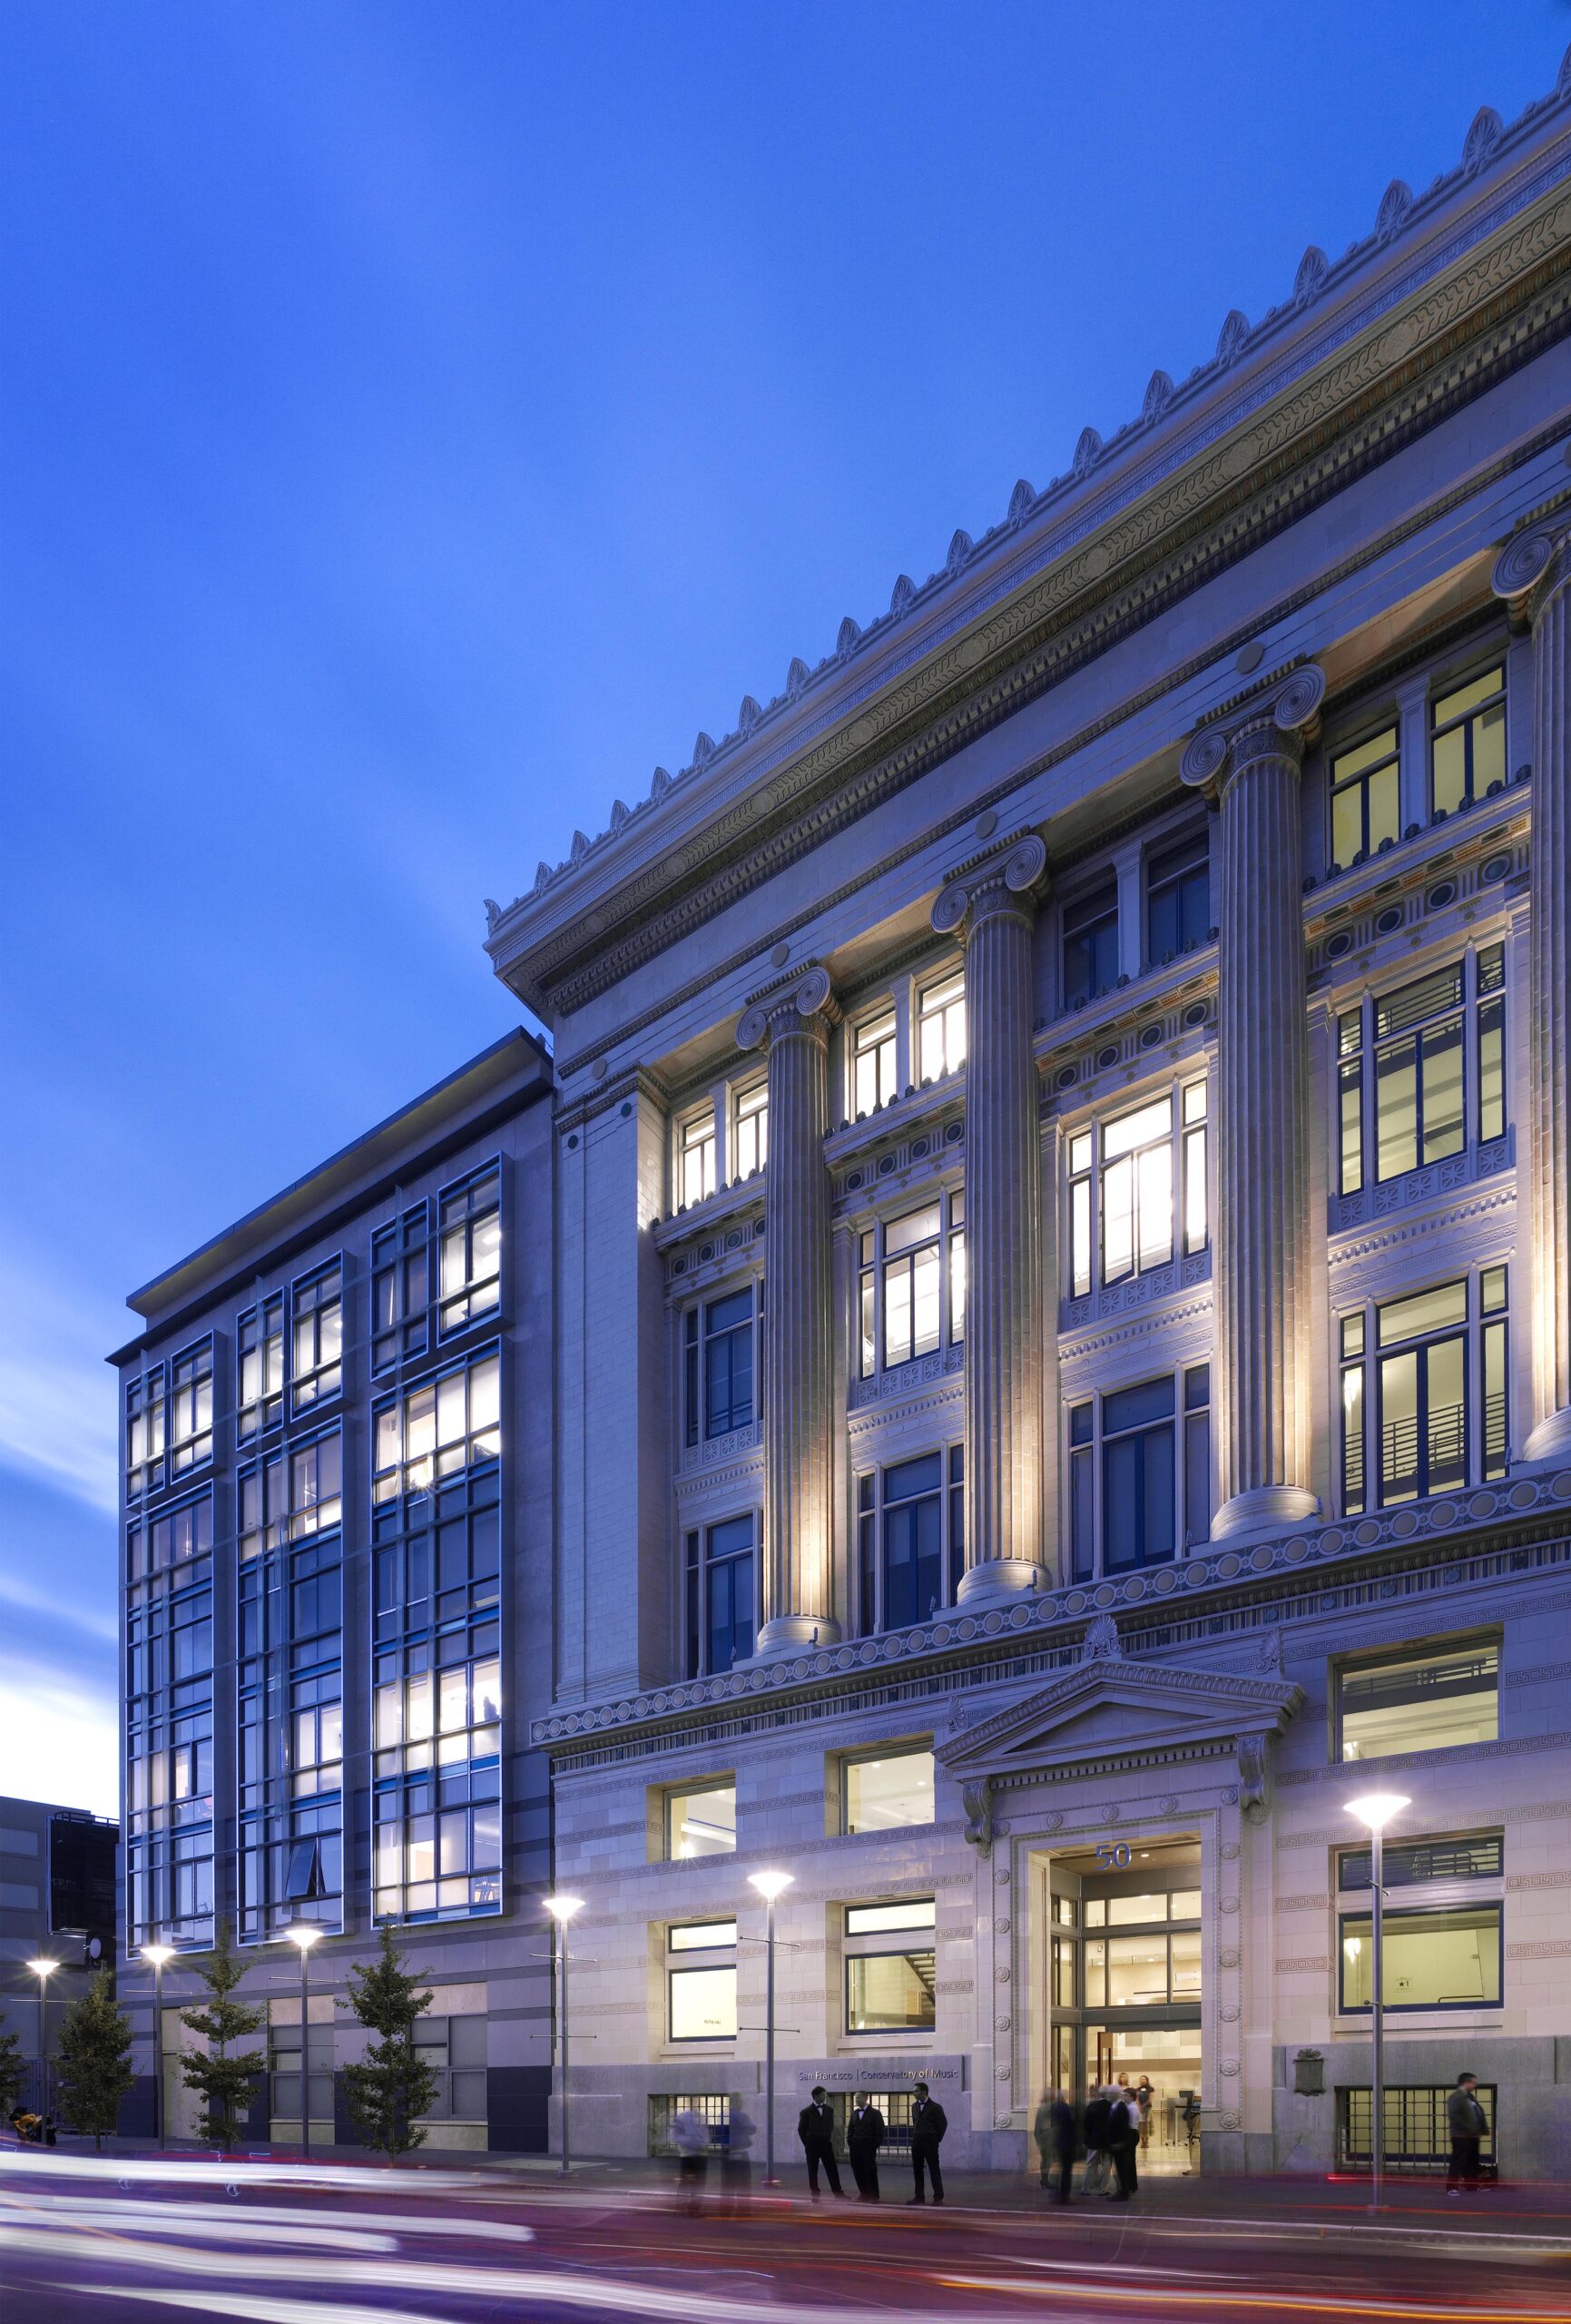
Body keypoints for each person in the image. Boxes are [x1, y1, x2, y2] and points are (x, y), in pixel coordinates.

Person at [797, 2087, 845, 2200]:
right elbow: (801, 2130)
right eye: (823, 2095)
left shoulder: (829, 2109)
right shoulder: (806, 2112)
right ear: (816, 2096)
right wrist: (807, 2143)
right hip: (812, 2145)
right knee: (813, 2170)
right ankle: (815, 2193)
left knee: (832, 2169)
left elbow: (830, 2125)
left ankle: (838, 2193)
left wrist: (827, 2135)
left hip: (825, 2143)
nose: (825, 2097)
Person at [1447, 2073, 1487, 2196]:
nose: (1475, 2085)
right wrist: (1470, 2127)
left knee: (1471, 2162)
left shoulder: (1469, 2097)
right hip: (1460, 2135)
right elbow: (1454, 2116)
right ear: (1467, 2082)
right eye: (1473, 2082)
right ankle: (1451, 2188)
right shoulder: (1456, 2097)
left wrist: (1479, 2129)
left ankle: (1471, 2186)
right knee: (1458, 2161)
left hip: (1472, 2135)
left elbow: (1476, 2113)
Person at [908, 2080, 947, 2204]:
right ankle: (919, 2196)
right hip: (917, 2142)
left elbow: (943, 2124)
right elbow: (915, 2123)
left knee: (934, 2169)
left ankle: (938, 2197)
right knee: (917, 2170)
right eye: (913, 2091)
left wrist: (936, 2138)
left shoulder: (935, 2107)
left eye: (916, 2091)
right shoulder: (914, 2106)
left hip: (930, 2143)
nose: (914, 2093)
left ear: (924, 2092)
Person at [670, 2105, 712, 2212]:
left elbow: (707, 2136)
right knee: (693, 2182)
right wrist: (694, 2142)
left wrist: (695, 2142)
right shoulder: (684, 2117)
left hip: (691, 2154)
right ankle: (689, 2208)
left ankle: (689, 2208)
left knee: (693, 2183)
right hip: (693, 2154)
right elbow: (675, 2136)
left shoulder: (700, 2117)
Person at [847, 2093, 885, 2201]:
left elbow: (880, 2130)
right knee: (857, 2170)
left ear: (865, 2098)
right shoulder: (854, 2113)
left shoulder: (875, 2113)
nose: (856, 2100)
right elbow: (850, 2129)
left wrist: (874, 2145)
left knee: (870, 2171)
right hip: (855, 2147)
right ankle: (864, 2193)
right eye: (855, 2098)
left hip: (869, 2147)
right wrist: (851, 2142)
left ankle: (874, 2195)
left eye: (858, 2097)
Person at [1106, 2085, 1139, 2202]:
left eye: (1126, 2095)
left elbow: (1128, 2124)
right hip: (1129, 2135)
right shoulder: (1128, 2107)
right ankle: (1130, 2186)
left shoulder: (1130, 2108)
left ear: (1131, 2097)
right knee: (1127, 2163)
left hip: (1129, 2134)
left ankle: (1126, 2188)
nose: (1123, 2097)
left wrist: (1121, 2142)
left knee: (1126, 2163)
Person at [722, 2098, 755, 2213]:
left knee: (727, 2183)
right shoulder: (742, 2116)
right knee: (744, 2183)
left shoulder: (722, 2116)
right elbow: (752, 2130)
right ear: (738, 2103)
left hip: (727, 2154)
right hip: (741, 2152)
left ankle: (726, 2210)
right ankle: (743, 2209)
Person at [1082, 2084, 1113, 2199]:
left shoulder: (1092, 2106)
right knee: (1106, 2164)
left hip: (1094, 2140)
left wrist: (1086, 2140)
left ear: (1099, 2094)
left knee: (1091, 2164)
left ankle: (1087, 2188)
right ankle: (1103, 2189)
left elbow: (1086, 2126)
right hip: (1107, 2141)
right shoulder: (1112, 2106)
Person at [1134, 2075, 1154, 2151]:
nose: (1143, 2080)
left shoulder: (1150, 2089)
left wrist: (1144, 2106)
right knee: (1141, 2126)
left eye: (1144, 2079)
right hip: (1140, 2110)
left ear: (1147, 2080)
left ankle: (1147, 2142)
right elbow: (1137, 2099)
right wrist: (1139, 2107)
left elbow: (1150, 2099)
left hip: (1148, 2108)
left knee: (1147, 2126)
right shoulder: (1137, 2089)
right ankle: (1142, 2142)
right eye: (1142, 2079)